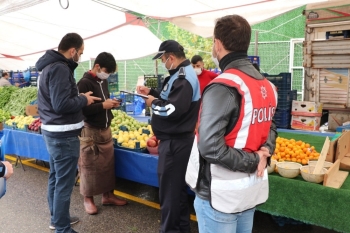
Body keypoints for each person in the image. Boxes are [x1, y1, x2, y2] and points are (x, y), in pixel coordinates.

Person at [186, 15, 278, 233]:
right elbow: (271, 127)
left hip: (220, 196)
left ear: (218, 44)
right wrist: (266, 151)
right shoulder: (267, 86)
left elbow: (209, 147)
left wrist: (254, 159)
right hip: (249, 192)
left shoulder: (223, 86)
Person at [35, 32, 101, 233]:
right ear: (72, 51)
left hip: (54, 132)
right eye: (80, 53)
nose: (79, 57)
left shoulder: (49, 67)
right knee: (63, 183)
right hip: (63, 135)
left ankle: (58, 218)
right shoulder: (60, 69)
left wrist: (79, 96)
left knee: (56, 178)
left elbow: (58, 99)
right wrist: (83, 100)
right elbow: (61, 104)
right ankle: (62, 228)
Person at [137, 40, 201, 233]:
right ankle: (181, 229)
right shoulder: (180, 75)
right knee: (176, 192)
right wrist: (153, 93)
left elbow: (172, 109)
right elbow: (172, 98)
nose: (163, 63)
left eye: (163, 59)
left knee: (170, 195)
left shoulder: (183, 77)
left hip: (176, 144)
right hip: (177, 142)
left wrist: (153, 103)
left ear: (171, 57)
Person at [77, 52, 127, 215]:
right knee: (89, 166)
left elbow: (104, 103)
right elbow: (81, 110)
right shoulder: (84, 83)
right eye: (106, 71)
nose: (107, 75)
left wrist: (111, 104)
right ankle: (88, 199)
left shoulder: (103, 81)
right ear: (97, 66)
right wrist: (102, 106)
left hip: (105, 130)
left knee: (107, 166)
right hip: (90, 130)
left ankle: (108, 195)